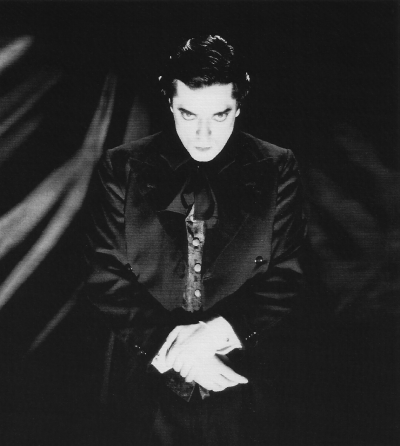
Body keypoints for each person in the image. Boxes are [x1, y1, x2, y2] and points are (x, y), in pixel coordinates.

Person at [84, 35, 308, 446]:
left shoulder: (278, 167)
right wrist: (175, 352)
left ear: (238, 107)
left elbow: (288, 275)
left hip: (243, 384)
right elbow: (104, 275)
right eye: (188, 114)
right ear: (171, 104)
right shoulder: (121, 166)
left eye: (219, 116)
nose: (203, 135)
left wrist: (215, 335)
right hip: (142, 387)